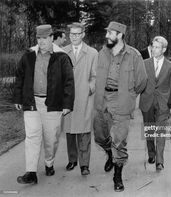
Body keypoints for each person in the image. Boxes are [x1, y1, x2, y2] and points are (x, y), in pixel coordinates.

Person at [13, 24, 75, 184]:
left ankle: (49, 162)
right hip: (32, 102)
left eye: (44, 38)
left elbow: (69, 81)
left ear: (51, 38)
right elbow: (19, 76)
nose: (41, 42)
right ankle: (31, 172)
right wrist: (18, 98)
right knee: (32, 137)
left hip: (53, 104)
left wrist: (67, 103)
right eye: (38, 38)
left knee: (51, 138)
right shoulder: (28, 55)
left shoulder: (61, 57)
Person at [93, 21, 147, 192]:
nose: (107, 36)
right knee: (100, 136)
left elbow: (142, 81)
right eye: (107, 32)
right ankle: (109, 154)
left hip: (122, 100)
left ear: (120, 35)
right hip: (103, 99)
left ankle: (117, 175)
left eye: (110, 33)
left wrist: (129, 95)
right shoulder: (102, 52)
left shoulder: (134, 55)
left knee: (119, 140)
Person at [62, 22, 98, 175]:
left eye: (77, 34)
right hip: (67, 97)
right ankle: (72, 160)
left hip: (84, 96)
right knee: (69, 130)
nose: (74, 37)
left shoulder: (92, 53)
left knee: (84, 131)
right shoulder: (62, 52)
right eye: (72, 34)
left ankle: (84, 164)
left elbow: (95, 75)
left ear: (83, 34)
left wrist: (90, 87)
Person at [139, 36, 171, 171]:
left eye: (157, 47)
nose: (153, 49)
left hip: (163, 103)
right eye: (152, 46)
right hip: (147, 101)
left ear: (164, 49)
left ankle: (159, 160)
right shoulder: (144, 63)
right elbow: (139, 82)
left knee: (160, 131)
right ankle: (151, 153)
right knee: (149, 129)